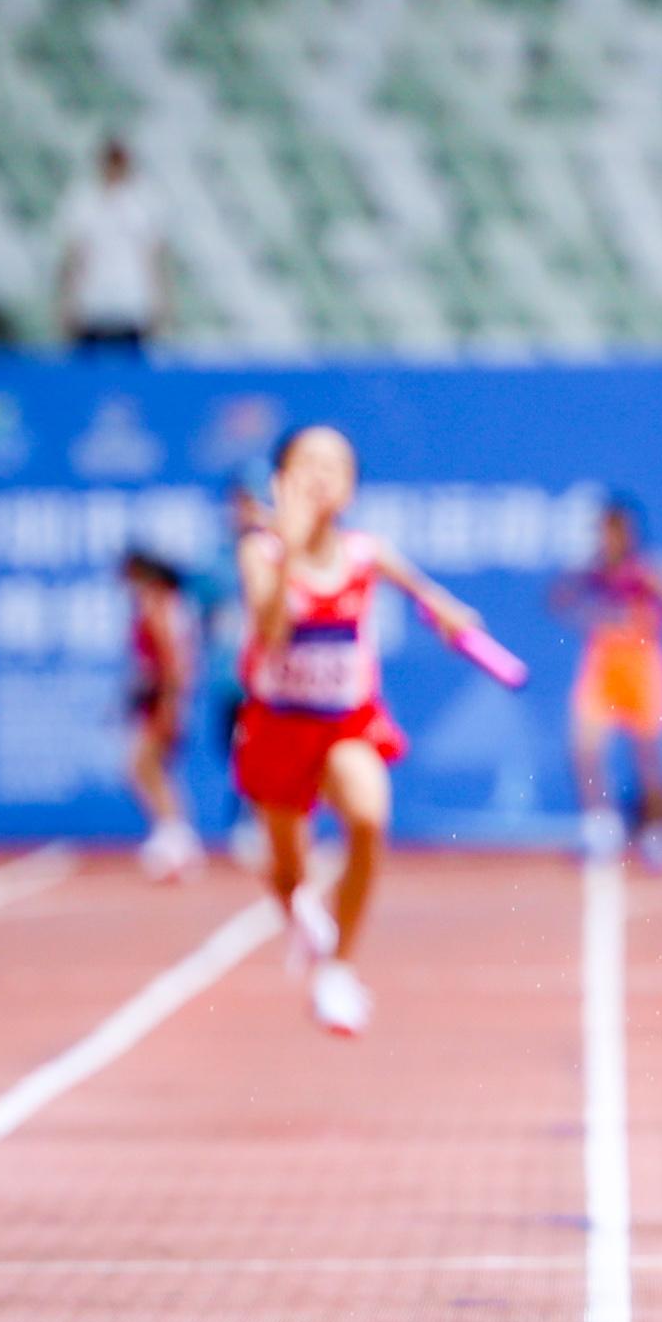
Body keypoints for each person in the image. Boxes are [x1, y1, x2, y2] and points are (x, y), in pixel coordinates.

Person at [232, 425, 487, 1037]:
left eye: (336, 467)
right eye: (308, 464)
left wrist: (448, 616)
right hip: (278, 726)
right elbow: (269, 630)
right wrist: (289, 548)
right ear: (281, 481)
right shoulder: (260, 554)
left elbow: (426, 594)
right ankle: (301, 912)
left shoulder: (366, 553)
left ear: (350, 487)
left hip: (347, 722)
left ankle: (338, 972)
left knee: (369, 817)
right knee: (289, 878)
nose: (322, 476)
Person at [554, 495, 662, 866]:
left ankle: (659, 833)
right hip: (602, 663)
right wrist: (591, 613)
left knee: (650, 755)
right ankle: (600, 827)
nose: (607, 538)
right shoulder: (593, 571)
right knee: (585, 745)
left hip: (642, 663)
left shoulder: (647, 568)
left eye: (613, 530)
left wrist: (653, 621)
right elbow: (558, 600)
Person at [122, 549, 202, 880]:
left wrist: (169, 706)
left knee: (142, 766)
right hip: (158, 698)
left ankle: (177, 838)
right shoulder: (172, 606)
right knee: (152, 769)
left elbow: (172, 662)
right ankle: (174, 836)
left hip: (162, 701)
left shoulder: (157, 606)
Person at [55, 138, 169, 353]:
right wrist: (67, 301)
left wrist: (160, 302)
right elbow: (74, 254)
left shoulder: (144, 201)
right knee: (87, 369)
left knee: (134, 372)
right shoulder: (83, 201)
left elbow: (153, 256)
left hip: (132, 299)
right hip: (92, 300)